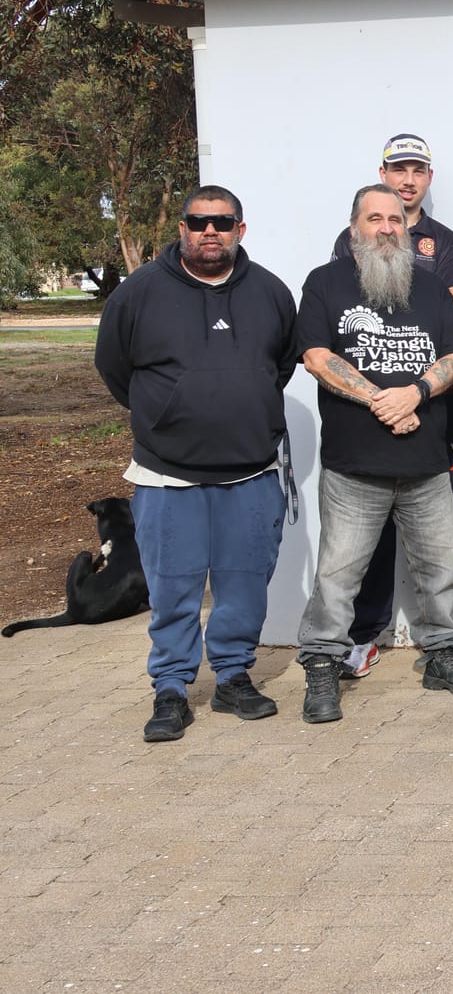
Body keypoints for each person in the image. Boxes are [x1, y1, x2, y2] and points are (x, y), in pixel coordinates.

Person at [95, 185, 297, 742]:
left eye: (223, 222)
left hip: (250, 472)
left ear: (240, 229)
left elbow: (279, 366)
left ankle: (233, 678)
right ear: (182, 227)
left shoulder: (271, 293)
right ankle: (171, 690)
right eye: (199, 221)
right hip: (167, 475)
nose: (211, 231)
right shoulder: (137, 294)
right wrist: (165, 415)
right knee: (172, 588)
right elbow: (114, 369)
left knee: (245, 585)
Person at [292, 186, 453, 722]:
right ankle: (321, 667)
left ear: (408, 228)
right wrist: (382, 401)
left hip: (426, 460)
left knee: (437, 569)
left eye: (396, 219)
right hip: (355, 464)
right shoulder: (325, 283)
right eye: (374, 218)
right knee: (338, 573)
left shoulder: (428, 288)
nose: (387, 227)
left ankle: (443, 655)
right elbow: (315, 355)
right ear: (354, 228)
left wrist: (416, 394)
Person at [326, 133, 453, 676]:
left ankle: (450, 633)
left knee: (443, 535)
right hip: (367, 423)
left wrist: (413, 394)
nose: (408, 179)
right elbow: (345, 318)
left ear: (428, 179)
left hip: (434, 414)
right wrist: (383, 400)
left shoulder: (445, 241)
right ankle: (363, 634)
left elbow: (443, 316)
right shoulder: (346, 244)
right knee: (364, 541)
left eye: (418, 170)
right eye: (399, 170)